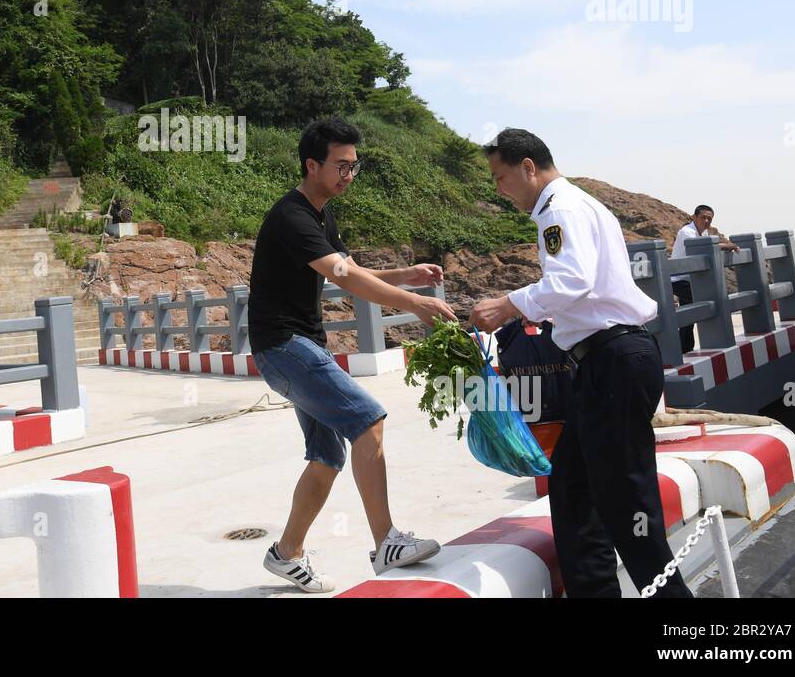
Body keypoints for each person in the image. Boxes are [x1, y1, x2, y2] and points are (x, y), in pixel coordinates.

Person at [469, 128, 692, 598]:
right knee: (572, 490)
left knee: (625, 501)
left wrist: (507, 305)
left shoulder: (559, 210)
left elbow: (572, 282)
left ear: (528, 166)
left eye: (501, 176)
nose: (499, 189)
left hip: (613, 359)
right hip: (603, 363)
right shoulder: (576, 204)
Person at [250, 118, 457, 593]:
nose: (349, 174)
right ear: (311, 165)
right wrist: (417, 305)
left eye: (354, 166)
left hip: (298, 347)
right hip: (285, 346)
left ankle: (286, 553)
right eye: (341, 166)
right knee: (369, 420)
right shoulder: (292, 216)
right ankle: (386, 541)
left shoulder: (322, 215)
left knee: (327, 455)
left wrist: (408, 275)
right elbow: (342, 276)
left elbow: (351, 268)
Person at [670, 206, 740, 353]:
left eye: (710, 218)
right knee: (698, 305)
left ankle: (684, 347)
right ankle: (682, 346)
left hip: (691, 280)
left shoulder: (704, 233)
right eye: (703, 217)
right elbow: (702, 247)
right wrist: (727, 246)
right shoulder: (686, 232)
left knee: (689, 311)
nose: (706, 221)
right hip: (678, 279)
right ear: (694, 217)